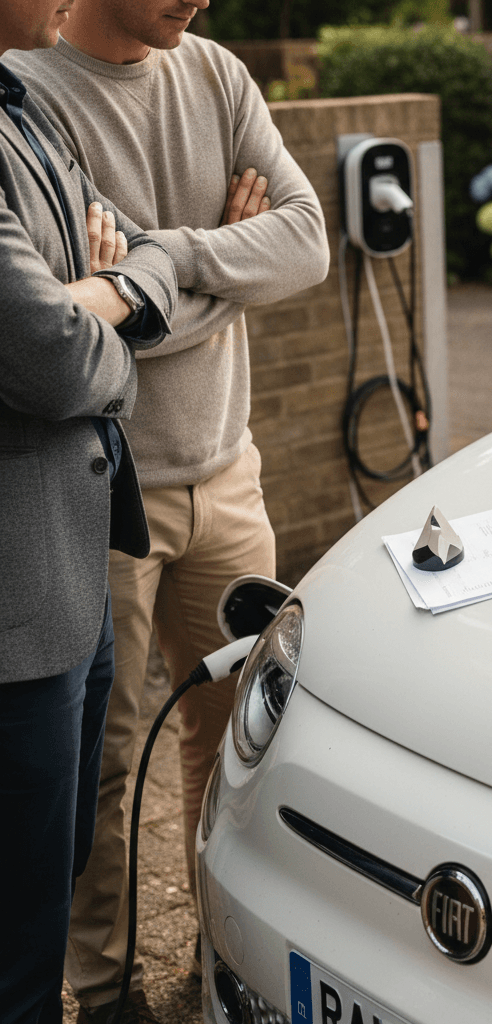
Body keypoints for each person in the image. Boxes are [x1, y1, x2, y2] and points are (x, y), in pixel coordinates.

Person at [7, 4, 331, 1022]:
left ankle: (218, 955)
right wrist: (231, 252)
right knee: (100, 762)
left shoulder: (217, 72)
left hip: (230, 472)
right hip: (101, 491)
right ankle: (103, 992)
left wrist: (161, 263)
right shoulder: (35, 93)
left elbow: (308, 245)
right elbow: (54, 336)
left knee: (239, 737)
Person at [0, 2, 178, 1021]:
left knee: (52, 872)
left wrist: (94, 284)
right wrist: (110, 303)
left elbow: (151, 253)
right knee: (18, 938)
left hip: (77, 582)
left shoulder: (26, 104)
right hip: (15, 616)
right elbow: (54, 360)